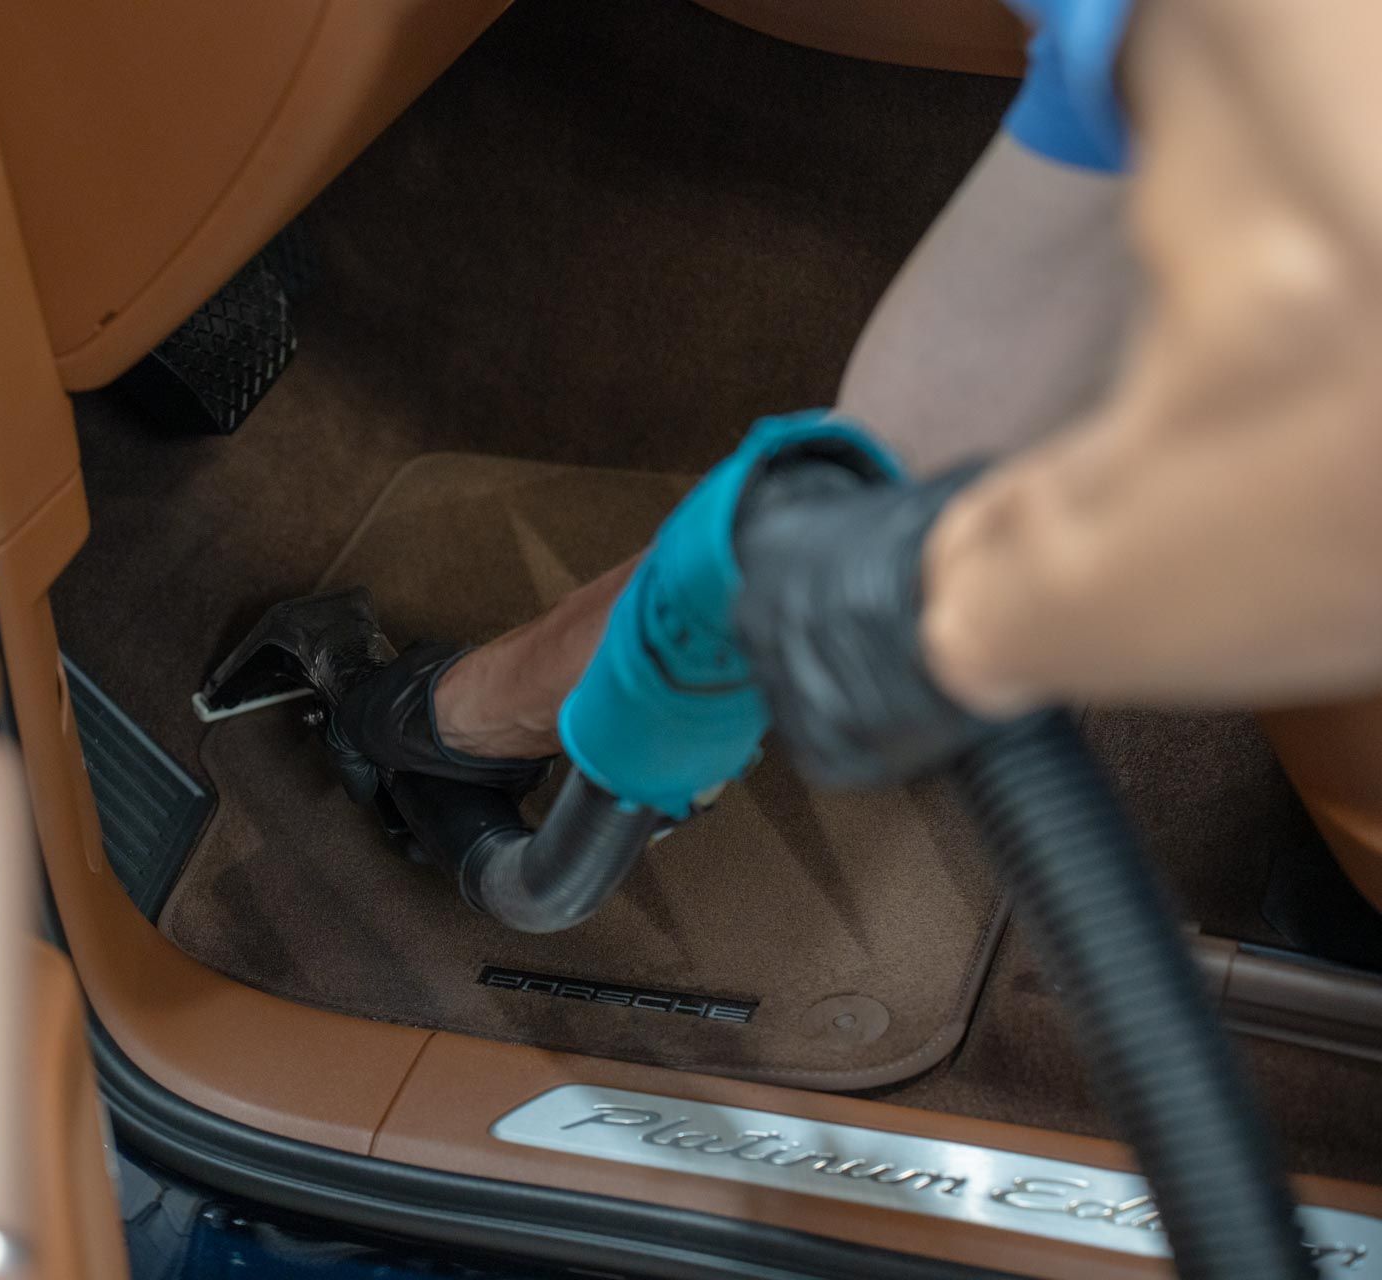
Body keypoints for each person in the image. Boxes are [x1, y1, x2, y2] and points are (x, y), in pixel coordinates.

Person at [325, 0, 1382, 800]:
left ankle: (456, 724)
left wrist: (970, 606)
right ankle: (469, 720)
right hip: (1144, 76)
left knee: (827, 532)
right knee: (850, 493)